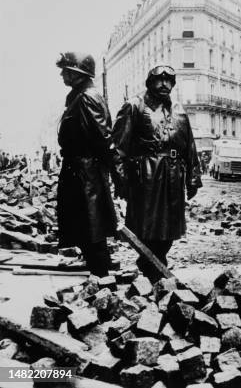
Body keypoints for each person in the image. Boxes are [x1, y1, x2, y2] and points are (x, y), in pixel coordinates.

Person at [113, 65, 202, 282]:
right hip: (146, 176)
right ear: (149, 82)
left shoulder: (179, 110)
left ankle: (156, 265)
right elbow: (118, 148)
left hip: (173, 175)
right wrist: (121, 180)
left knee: (170, 228)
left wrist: (193, 177)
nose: (164, 84)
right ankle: (151, 268)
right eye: (159, 80)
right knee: (147, 226)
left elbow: (190, 146)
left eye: (169, 80)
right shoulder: (134, 105)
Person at [56, 52, 119, 277]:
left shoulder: (87, 97)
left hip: (86, 175)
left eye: (66, 70)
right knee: (82, 228)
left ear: (77, 74)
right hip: (78, 172)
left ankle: (101, 279)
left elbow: (105, 139)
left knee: (93, 231)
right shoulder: (77, 96)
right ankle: (98, 276)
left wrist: (117, 175)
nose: (62, 74)